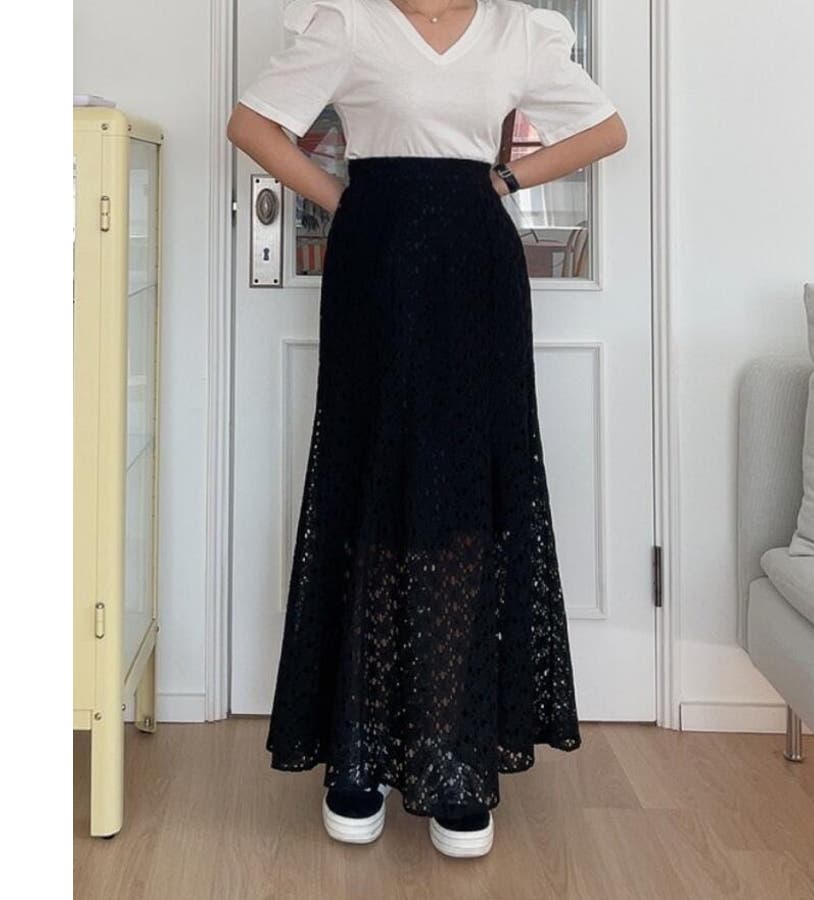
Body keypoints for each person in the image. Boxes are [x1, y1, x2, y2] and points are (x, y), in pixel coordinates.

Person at [227, 0, 627, 859]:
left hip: (477, 271)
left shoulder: (520, 31)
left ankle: (455, 753)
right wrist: (345, 199)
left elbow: (607, 130)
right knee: (369, 484)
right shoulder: (349, 24)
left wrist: (507, 180)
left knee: (463, 498)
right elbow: (251, 125)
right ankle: (359, 750)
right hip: (375, 264)